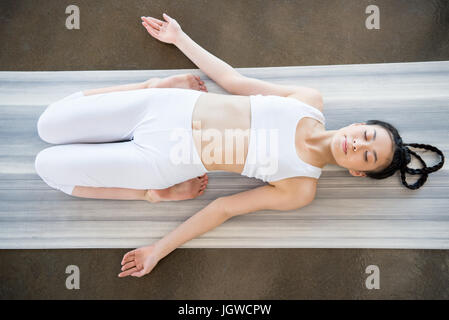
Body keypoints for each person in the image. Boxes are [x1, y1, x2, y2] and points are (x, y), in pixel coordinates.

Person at [35, 13, 445, 278]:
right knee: (47, 123)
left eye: (366, 156)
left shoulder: (301, 187)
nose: (357, 144)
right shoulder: (309, 100)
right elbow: (232, 81)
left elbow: (224, 207)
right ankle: (150, 84)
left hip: (165, 161)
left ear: (358, 170)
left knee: (47, 167)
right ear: (360, 124)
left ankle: (150, 194)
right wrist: (180, 39)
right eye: (367, 135)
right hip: (165, 105)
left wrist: (159, 249)